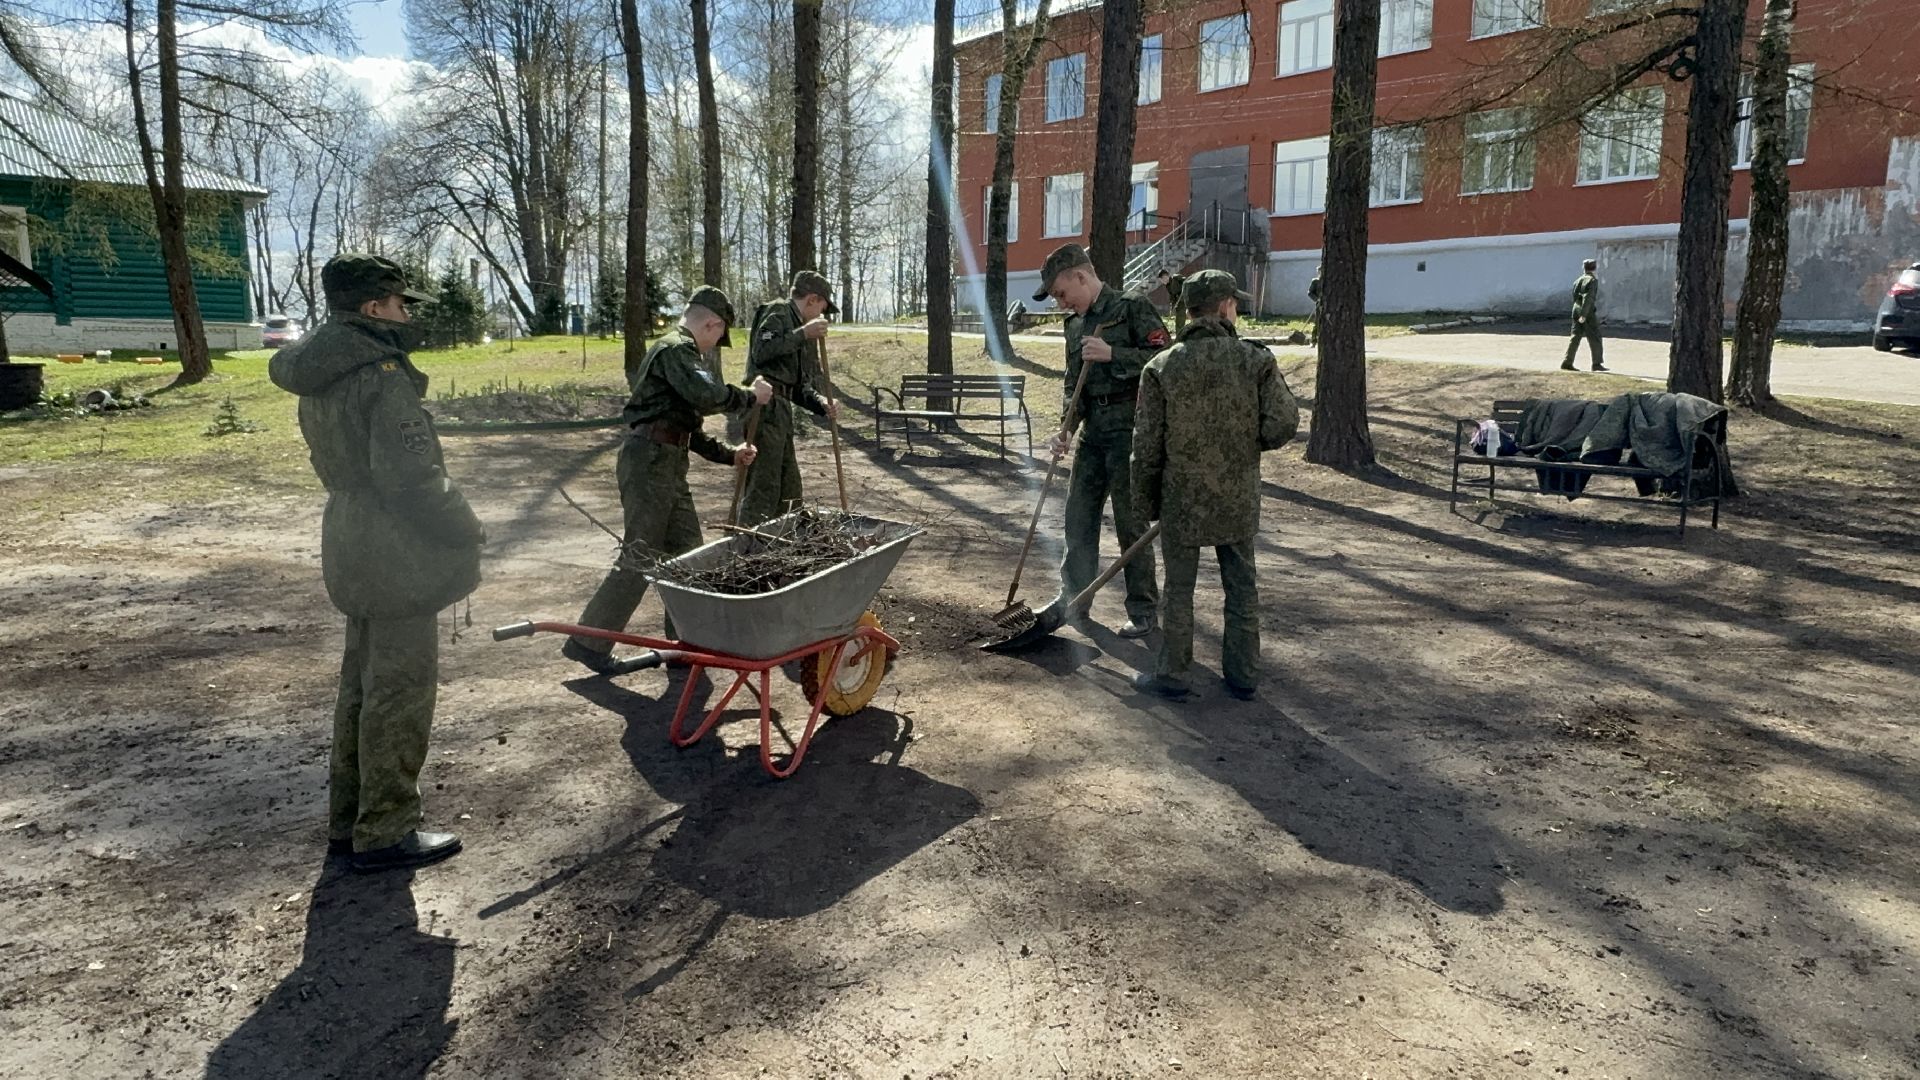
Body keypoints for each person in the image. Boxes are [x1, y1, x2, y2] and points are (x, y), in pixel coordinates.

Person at [268, 254, 485, 872]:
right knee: (399, 690)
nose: (407, 312)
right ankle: (387, 828)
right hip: (395, 547)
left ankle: (349, 819)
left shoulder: (321, 370)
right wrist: (466, 524)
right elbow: (414, 479)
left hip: (348, 532)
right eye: (399, 302)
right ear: (372, 309)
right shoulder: (381, 374)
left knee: (360, 686)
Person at [564, 287, 772, 673]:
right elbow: (708, 395)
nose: (714, 347)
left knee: (687, 553)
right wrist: (749, 396)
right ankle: (588, 641)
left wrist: (730, 454)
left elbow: (686, 429)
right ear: (712, 323)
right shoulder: (676, 349)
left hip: (667, 461)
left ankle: (685, 645)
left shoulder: (679, 355)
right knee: (642, 552)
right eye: (717, 338)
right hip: (650, 462)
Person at [1130, 269, 1300, 701]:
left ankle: (1172, 673)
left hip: (1181, 499)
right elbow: (1282, 423)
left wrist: (1147, 503)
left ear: (1189, 311)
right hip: (1236, 497)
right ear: (1225, 306)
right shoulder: (1255, 360)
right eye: (1235, 303)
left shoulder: (1162, 367)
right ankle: (1243, 675)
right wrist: (1243, 445)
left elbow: (1146, 447)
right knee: (1241, 586)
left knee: (1179, 589)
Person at [1035, 243, 1169, 638]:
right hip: (1093, 431)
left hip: (1130, 431)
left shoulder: (1131, 308)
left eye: (1062, 293)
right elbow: (1072, 384)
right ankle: (1073, 599)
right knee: (1078, 519)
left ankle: (1143, 609)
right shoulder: (1075, 325)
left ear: (1081, 275)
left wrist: (1115, 354)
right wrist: (1066, 428)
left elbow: (1166, 359)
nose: (1061, 303)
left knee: (1131, 522)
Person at [738, 270, 839, 526]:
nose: (822, 313)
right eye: (823, 306)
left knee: (790, 489)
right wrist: (803, 333)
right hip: (763, 408)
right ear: (812, 299)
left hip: (781, 410)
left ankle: (783, 548)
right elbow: (762, 351)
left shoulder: (798, 327)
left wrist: (820, 403)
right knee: (764, 485)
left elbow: (794, 385)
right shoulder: (778, 313)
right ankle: (748, 545)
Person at [1562, 258, 1606, 372]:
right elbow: (1588, 298)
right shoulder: (1592, 281)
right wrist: (1584, 314)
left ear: (1584, 268)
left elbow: (1575, 296)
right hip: (1587, 312)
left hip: (1576, 309)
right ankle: (1596, 363)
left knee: (1575, 337)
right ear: (1594, 268)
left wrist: (1579, 312)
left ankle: (1567, 361)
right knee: (1595, 337)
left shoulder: (1578, 280)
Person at [1306, 264, 1323, 345]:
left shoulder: (1330, 281)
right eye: (1320, 271)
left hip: (1329, 305)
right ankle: (1313, 340)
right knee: (1317, 322)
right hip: (1319, 304)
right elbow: (1310, 293)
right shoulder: (1315, 281)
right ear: (1318, 272)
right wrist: (1317, 299)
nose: (1321, 273)